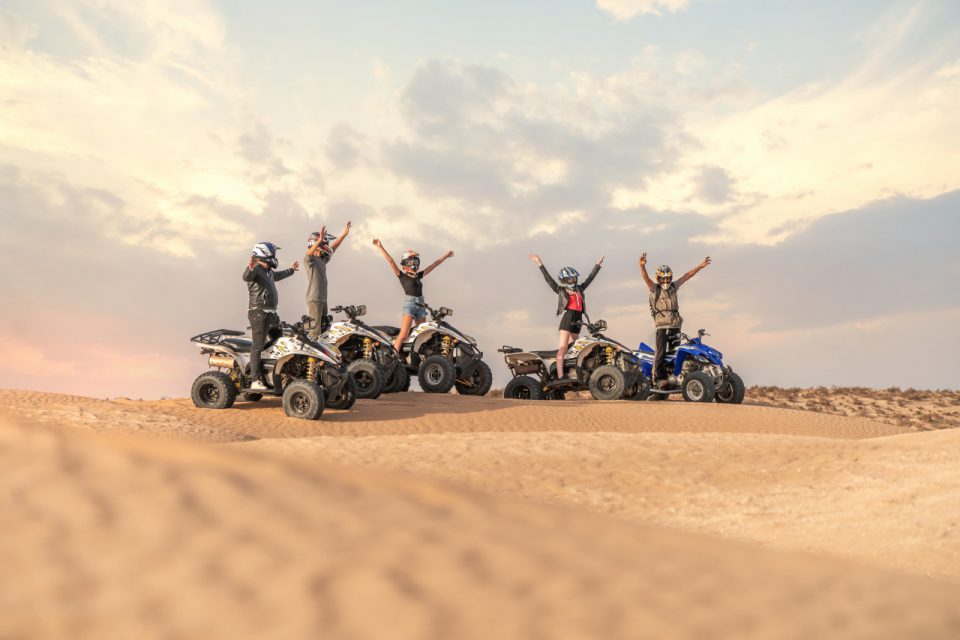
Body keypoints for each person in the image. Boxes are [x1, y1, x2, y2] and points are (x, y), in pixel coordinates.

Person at [639, 252, 711, 388]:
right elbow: (646, 279)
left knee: (674, 352)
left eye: (668, 278)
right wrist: (642, 266)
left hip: (675, 325)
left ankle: (672, 377)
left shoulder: (673, 286)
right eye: (663, 279)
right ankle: (657, 378)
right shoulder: (655, 289)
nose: (666, 281)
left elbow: (686, 276)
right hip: (662, 326)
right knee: (661, 352)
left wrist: (701, 266)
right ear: (659, 279)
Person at [528, 253, 604, 380]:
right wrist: (539, 262)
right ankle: (560, 375)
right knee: (563, 349)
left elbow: (590, 279)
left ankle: (573, 372)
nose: (574, 280)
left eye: (574, 278)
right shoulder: (561, 290)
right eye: (571, 279)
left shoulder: (579, 289)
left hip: (578, 320)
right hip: (568, 319)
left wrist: (597, 266)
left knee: (576, 349)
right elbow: (548, 279)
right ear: (565, 280)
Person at [372, 238, 454, 352]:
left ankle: (416, 356)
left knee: (423, 334)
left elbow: (434, 264)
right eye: (411, 262)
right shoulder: (401, 275)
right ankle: (394, 357)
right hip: (410, 305)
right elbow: (390, 260)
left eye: (415, 262)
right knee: (404, 334)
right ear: (405, 263)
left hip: (421, 305)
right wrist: (380, 247)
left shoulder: (419, 275)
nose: (414, 264)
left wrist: (446, 256)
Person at [243, 242, 299, 391]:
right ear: (265, 254)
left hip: (272, 313)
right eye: (273, 254)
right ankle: (255, 379)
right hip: (258, 312)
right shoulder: (255, 269)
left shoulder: (269, 272)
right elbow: (247, 277)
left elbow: (279, 275)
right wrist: (250, 267)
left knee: (279, 341)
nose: (275, 257)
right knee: (258, 346)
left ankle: (273, 372)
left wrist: (291, 270)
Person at [304, 221, 351, 339]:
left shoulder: (321, 260)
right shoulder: (310, 260)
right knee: (315, 331)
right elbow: (309, 253)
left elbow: (332, 249)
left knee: (324, 326)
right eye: (325, 243)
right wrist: (319, 241)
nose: (327, 246)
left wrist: (343, 235)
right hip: (314, 298)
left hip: (322, 299)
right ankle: (313, 352)